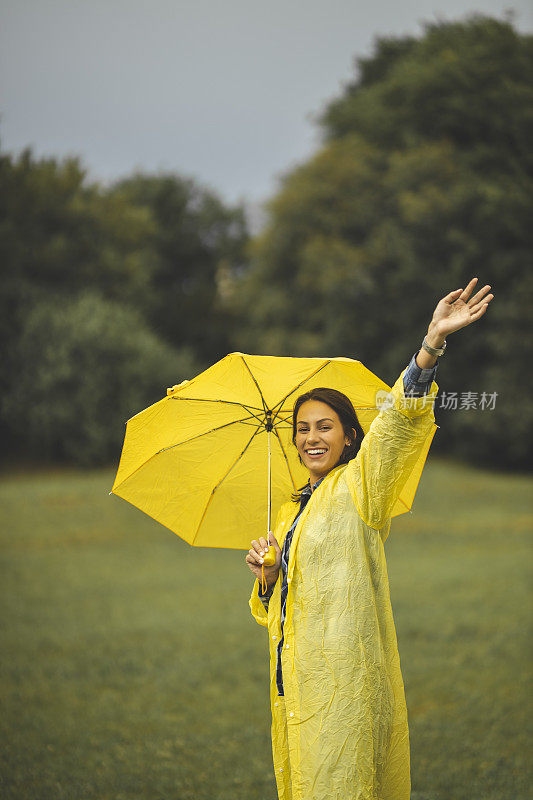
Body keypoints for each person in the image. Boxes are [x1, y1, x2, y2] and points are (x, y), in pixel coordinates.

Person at [245, 279, 494, 800]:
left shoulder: (361, 485)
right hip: (298, 688)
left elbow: (396, 428)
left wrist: (431, 345)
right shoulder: (292, 514)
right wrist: (269, 579)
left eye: (325, 427)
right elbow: (282, 613)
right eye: (302, 428)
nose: (311, 437)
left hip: (348, 688)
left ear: (349, 437)